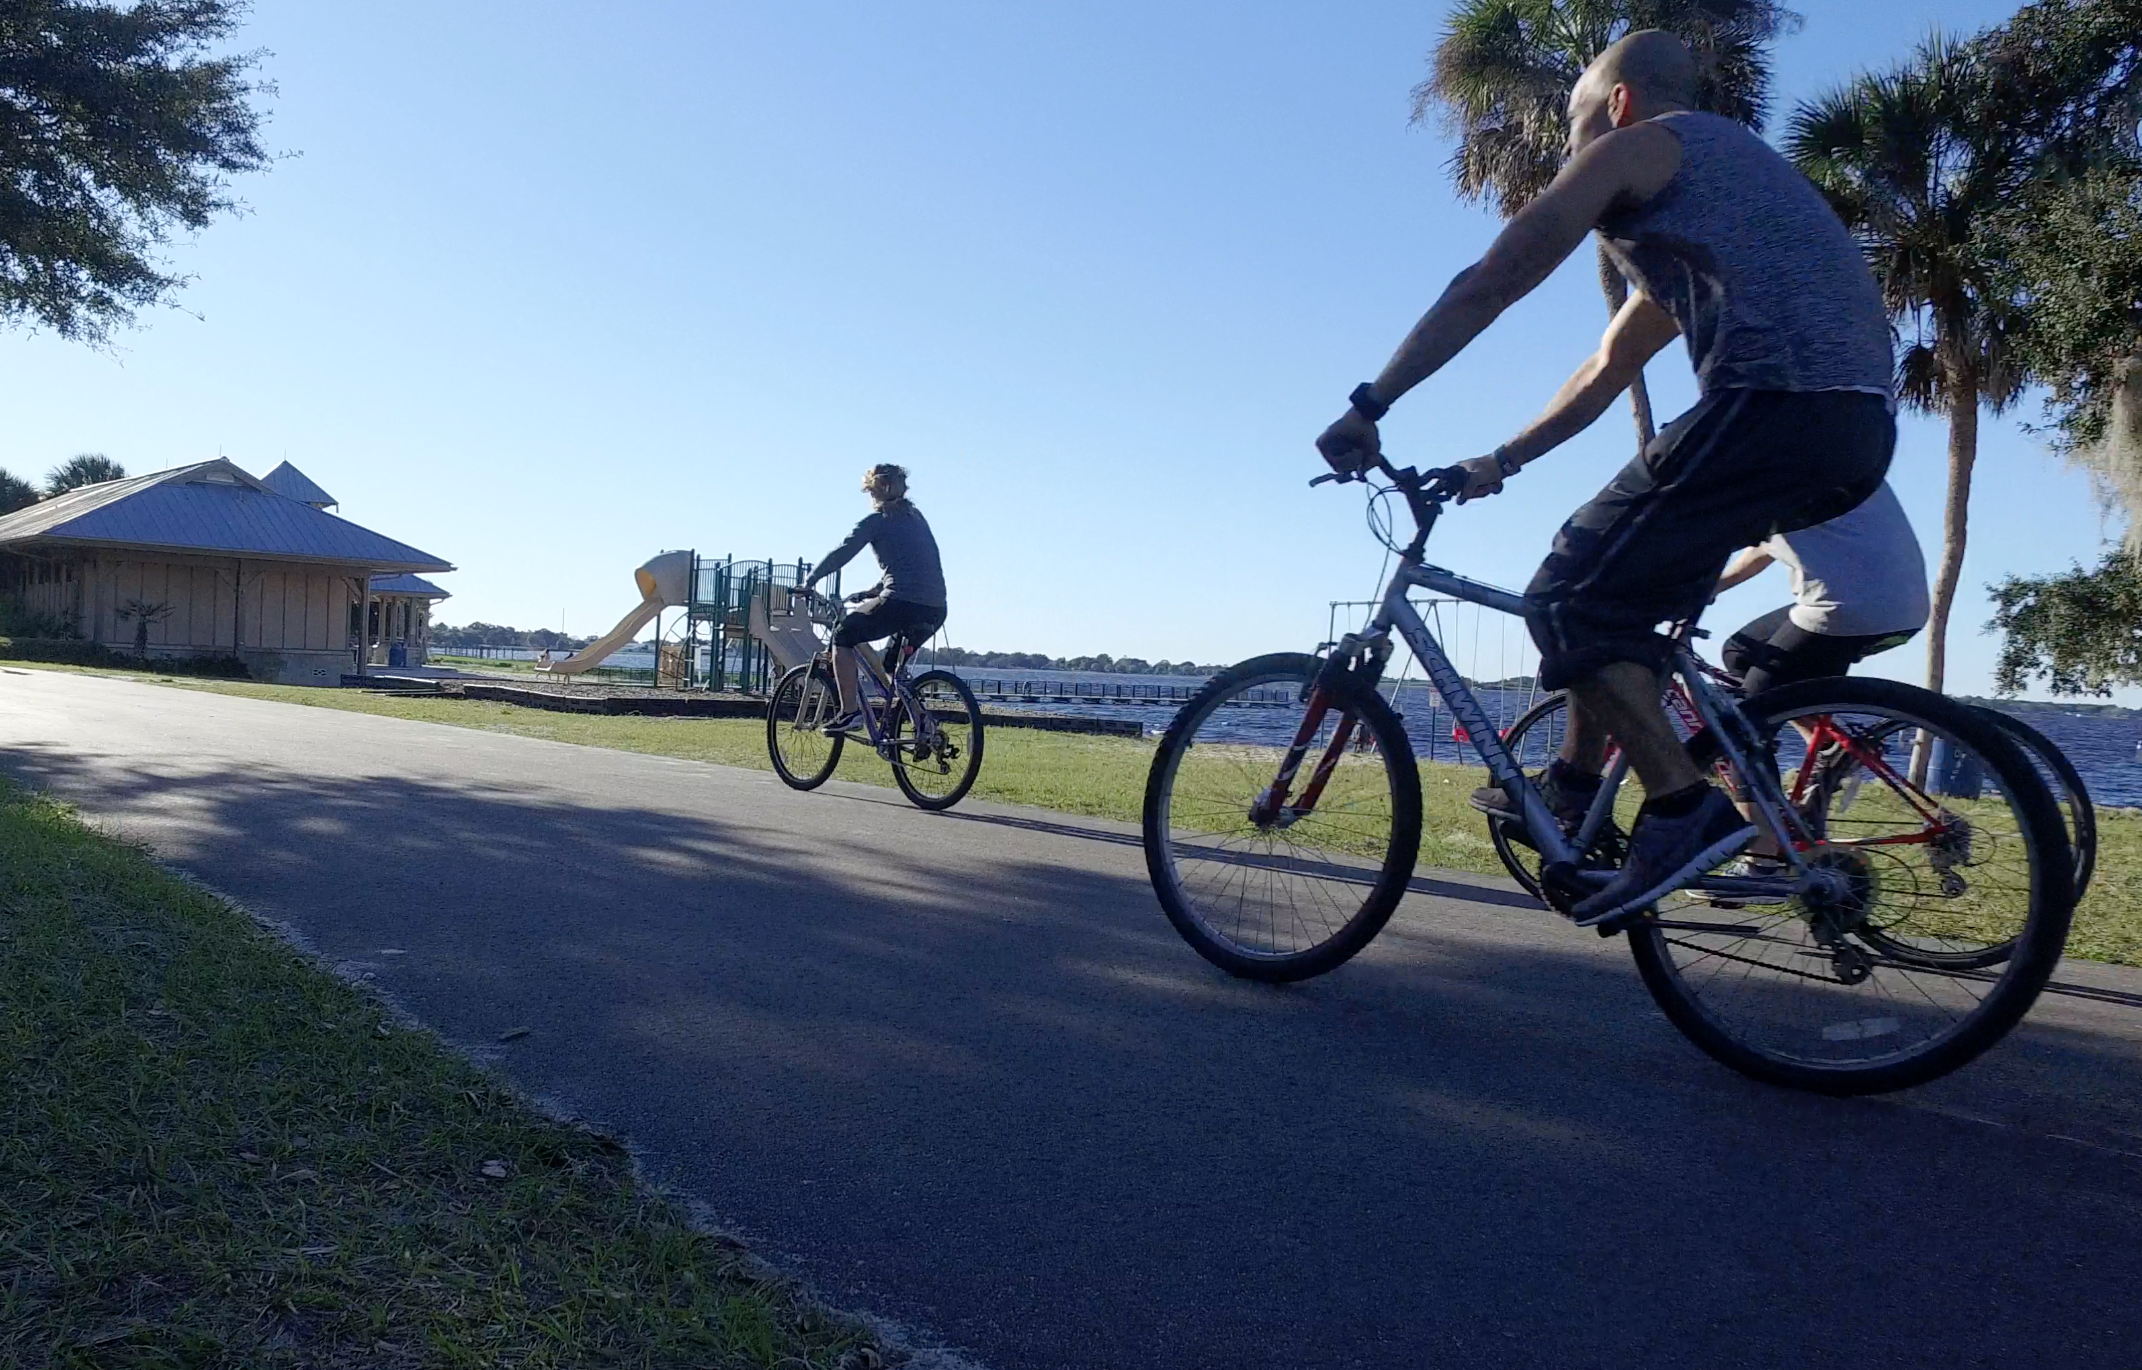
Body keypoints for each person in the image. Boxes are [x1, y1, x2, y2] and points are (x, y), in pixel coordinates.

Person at [1316, 29, 1897, 928]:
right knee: (1619, 616)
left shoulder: (1640, 146)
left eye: (1573, 118)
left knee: (1567, 595)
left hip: (1776, 405)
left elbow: (1495, 278)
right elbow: (1602, 373)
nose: (1568, 142)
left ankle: (1681, 811)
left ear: (1618, 103)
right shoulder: (1728, 199)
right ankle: (1576, 792)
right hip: (1854, 431)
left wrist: (1370, 401)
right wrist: (1499, 462)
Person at [1714, 480, 1928, 696]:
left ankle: (1762, 721)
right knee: (1740, 655)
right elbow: (1766, 547)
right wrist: (1713, 587)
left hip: (1847, 609)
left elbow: (1710, 529)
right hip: (1906, 608)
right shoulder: (1838, 455)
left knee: (1753, 708)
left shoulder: (1768, 468)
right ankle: (1809, 724)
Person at [803, 464, 947, 735]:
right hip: (935, 607)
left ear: (876, 490)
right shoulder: (916, 518)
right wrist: (874, 590)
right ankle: (924, 724)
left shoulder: (876, 521)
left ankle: (849, 713)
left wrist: (809, 581)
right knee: (892, 666)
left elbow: (842, 553)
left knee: (843, 636)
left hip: (900, 603)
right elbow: (914, 564)